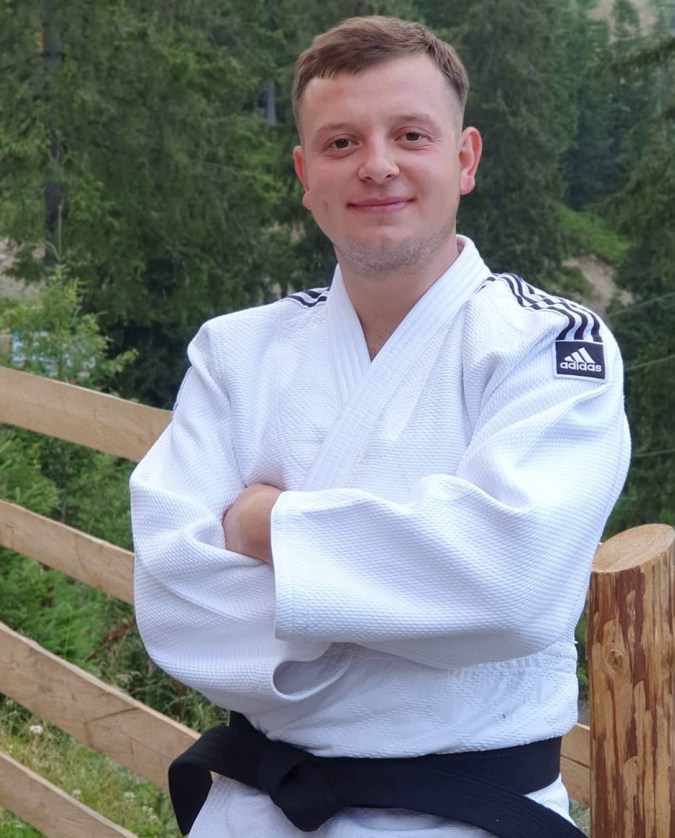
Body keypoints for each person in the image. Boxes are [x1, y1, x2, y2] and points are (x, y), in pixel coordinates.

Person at [130, 15, 630, 837]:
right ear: (306, 174)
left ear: (464, 158)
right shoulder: (236, 353)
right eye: (341, 143)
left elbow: (511, 586)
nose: (377, 165)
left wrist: (266, 527)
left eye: (410, 135)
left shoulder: (546, 346)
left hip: (471, 817)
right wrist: (416, 612)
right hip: (254, 814)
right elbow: (175, 604)